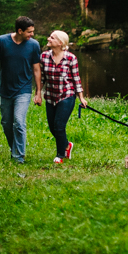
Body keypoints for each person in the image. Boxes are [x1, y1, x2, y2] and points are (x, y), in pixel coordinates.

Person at [0, 16, 43, 163]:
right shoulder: (2, 41)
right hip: (6, 90)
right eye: (29, 32)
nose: (32, 35)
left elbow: (37, 69)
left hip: (24, 89)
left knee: (19, 121)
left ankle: (19, 157)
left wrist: (38, 92)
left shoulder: (33, 45)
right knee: (6, 123)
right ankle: (15, 149)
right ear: (19, 31)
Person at [40, 30, 87, 164]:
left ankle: (60, 155)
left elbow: (76, 79)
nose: (48, 39)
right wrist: (38, 93)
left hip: (67, 95)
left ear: (60, 43)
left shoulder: (71, 58)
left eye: (52, 37)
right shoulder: (43, 56)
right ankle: (67, 144)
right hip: (50, 96)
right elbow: (42, 78)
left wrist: (81, 97)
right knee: (52, 127)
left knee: (59, 126)